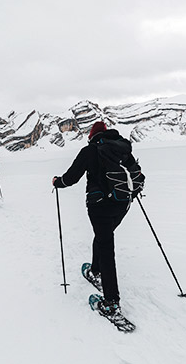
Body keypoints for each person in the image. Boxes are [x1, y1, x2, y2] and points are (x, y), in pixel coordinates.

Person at [52, 121, 134, 315]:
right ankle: (96, 270)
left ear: (92, 136)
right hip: (123, 203)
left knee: (106, 246)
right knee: (104, 236)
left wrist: (58, 182)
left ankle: (111, 302)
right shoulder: (122, 149)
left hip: (99, 206)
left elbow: (71, 177)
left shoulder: (90, 151)